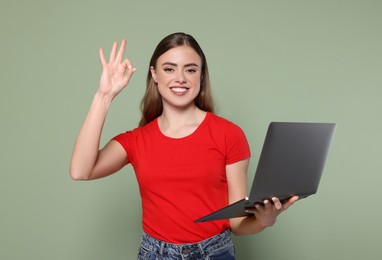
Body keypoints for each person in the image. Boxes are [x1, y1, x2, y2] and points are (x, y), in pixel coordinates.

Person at [70, 32, 298, 260]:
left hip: (214, 253)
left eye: (190, 70)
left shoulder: (229, 134)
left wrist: (265, 220)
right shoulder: (136, 140)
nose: (180, 78)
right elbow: (81, 171)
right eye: (169, 69)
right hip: (155, 255)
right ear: (154, 74)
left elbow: (237, 224)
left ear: (201, 76)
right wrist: (104, 95)